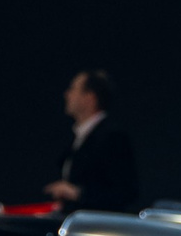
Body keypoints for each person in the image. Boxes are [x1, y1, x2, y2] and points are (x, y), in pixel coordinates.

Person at [45, 68, 138, 213]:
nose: (67, 94)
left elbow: (125, 192)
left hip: (97, 224)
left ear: (90, 97)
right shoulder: (80, 138)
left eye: (73, 89)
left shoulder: (112, 137)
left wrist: (78, 193)